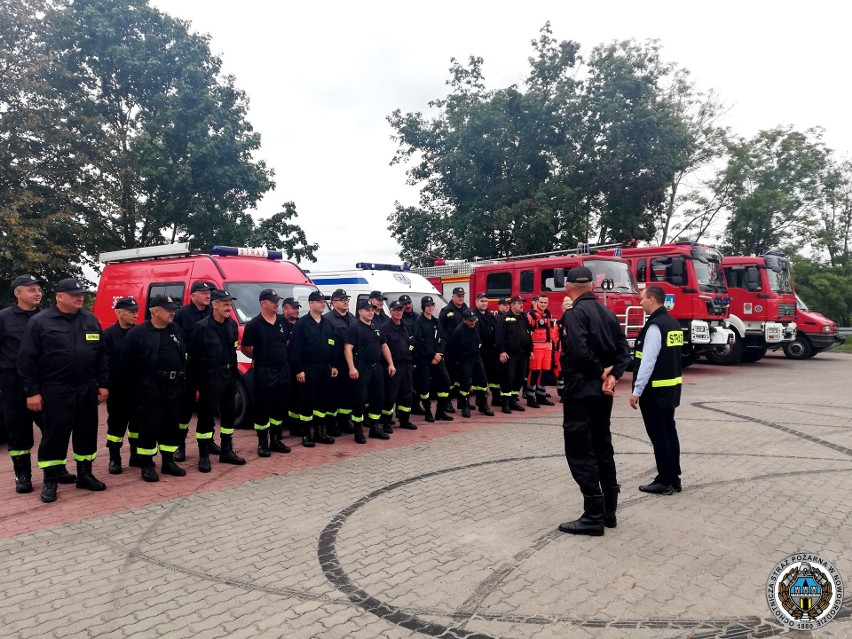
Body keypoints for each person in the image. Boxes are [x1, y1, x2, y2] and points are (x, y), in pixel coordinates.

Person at [18, 278, 109, 502]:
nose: (80, 297)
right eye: (74, 294)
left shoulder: (90, 319)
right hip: (56, 389)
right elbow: (26, 360)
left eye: (82, 294)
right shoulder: (41, 322)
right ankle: (50, 480)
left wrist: (104, 383)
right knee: (55, 436)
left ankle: (85, 474)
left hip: (86, 387)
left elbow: (102, 355)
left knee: (86, 432)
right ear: (60, 296)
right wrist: (32, 392)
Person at [557, 267, 631, 536]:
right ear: (591, 286)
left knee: (579, 450)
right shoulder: (608, 313)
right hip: (603, 391)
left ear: (569, 288)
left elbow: (578, 349)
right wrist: (613, 376)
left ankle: (593, 515)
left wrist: (599, 372)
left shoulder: (574, 313)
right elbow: (624, 350)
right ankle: (609, 511)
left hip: (582, 389)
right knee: (602, 445)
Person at [122, 295, 188, 481]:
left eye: (173, 309)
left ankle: (168, 461)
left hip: (174, 385)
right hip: (150, 386)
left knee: (171, 423)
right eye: (168, 309)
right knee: (149, 425)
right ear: (155, 311)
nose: (173, 312)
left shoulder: (175, 329)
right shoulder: (137, 333)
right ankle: (147, 464)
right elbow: (126, 364)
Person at [629, 285, 684, 495]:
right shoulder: (673, 324)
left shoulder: (655, 326)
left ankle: (664, 480)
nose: (640, 302)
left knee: (659, 436)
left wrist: (637, 391)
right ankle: (674, 478)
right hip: (671, 389)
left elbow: (648, 362)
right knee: (670, 433)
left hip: (654, 391)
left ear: (652, 300)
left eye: (642, 298)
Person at [0, 275, 48, 493]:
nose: (37, 293)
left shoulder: (48, 317)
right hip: (14, 383)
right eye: (31, 290)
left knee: (51, 427)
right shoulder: (4, 318)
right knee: (19, 431)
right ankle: (23, 475)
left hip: (44, 381)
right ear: (17, 293)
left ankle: (55, 469)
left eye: (38, 289)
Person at [189, 288, 246, 471]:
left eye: (230, 304)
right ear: (214, 305)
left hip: (229, 376)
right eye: (225, 304)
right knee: (206, 416)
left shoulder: (231, 326)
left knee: (229, 414)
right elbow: (194, 358)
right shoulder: (202, 328)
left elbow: (233, 350)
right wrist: (198, 381)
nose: (229, 307)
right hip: (210, 377)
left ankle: (226, 451)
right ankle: (204, 455)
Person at [240, 289, 293, 457]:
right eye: (273, 301)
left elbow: (286, 342)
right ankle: (263, 442)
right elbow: (246, 348)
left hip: (283, 369)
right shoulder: (254, 324)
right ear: (263, 303)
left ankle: (276, 439)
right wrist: (260, 357)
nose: (277, 303)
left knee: (280, 404)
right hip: (264, 369)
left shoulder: (283, 321)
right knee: (263, 406)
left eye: (277, 300)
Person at [174, 280, 215, 461]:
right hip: (189, 367)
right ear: (193, 296)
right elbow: (177, 341)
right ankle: (179, 445)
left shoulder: (213, 312)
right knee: (185, 408)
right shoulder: (181, 314)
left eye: (209, 293)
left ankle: (209, 440)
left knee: (209, 406)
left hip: (208, 367)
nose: (208, 295)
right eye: (203, 292)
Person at [289, 291, 337, 447]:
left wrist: (333, 364)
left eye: (324, 301)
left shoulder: (327, 323)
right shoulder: (302, 324)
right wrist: (299, 370)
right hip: (308, 368)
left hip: (324, 368)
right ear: (311, 303)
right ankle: (306, 434)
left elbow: (332, 345)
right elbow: (295, 349)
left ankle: (320, 432)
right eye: (320, 301)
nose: (323, 304)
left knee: (323, 401)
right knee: (307, 401)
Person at [345, 300, 395, 443]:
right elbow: (347, 348)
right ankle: (358, 431)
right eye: (367, 310)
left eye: (372, 310)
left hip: (377, 368)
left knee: (378, 398)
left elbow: (384, 346)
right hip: (362, 367)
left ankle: (374, 428)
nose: (371, 312)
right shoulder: (354, 328)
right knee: (360, 400)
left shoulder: (376, 328)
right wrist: (352, 368)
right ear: (360, 312)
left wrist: (391, 364)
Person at [102, 296, 140, 474]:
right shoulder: (109, 335)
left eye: (136, 311)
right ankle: (114, 459)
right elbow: (104, 362)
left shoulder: (140, 332)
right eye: (131, 312)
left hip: (138, 387)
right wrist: (105, 385)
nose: (135, 315)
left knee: (137, 425)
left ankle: (135, 455)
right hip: (118, 389)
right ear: (119, 313)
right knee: (116, 426)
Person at [413, 296, 453, 422]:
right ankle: (428, 411)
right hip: (425, 359)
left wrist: (439, 353)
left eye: (432, 305)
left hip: (438, 357)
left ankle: (440, 411)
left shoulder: (436, 322)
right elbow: (419, 341)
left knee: (446, 381)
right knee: (424, 386)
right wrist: (432, 355)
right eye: (427, 305)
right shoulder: (419, 323)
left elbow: (443, 338)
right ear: (423, 307)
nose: (430, 307)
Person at [447, 309, 493, 418]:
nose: (473, 322)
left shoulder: (476, 327)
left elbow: (480, 340)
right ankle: (464, 406)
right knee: (465, 384)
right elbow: (452, 349)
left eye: (474, 320)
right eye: (470, 321)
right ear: (464, 320)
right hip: (464, 359)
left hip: (476, 357)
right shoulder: (458, 331)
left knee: (482, 381)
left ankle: (483, 405)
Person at [379, 300, 417, 431]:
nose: (399, 312)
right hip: (393, 366)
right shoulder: (384, 328)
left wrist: (409, 350)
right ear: (390, 311)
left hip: (406, 365)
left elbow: (412, 341)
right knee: (390, 395)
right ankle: (387, 423)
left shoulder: (405, 326)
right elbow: (382, 347)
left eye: (400, 310)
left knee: (406, 394)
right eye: (396, 310)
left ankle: (404, 420)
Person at [324, 289, 355, 436]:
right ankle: (331, 424)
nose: (345, 301)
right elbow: (326, 343)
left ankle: (345, 421)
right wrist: (331, 364)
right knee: (333, 395)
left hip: (350, 362)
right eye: (342, 299)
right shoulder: (328, 319)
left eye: (346, 299)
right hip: (336, 363)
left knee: (348, 394)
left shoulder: (352, 317)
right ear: (334, 302)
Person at [495, 295, 532, 414]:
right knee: (508, 378)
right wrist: (502, 351)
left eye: (522, 303)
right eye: (518, 303)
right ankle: (505, 403)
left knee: (519, 378)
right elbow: (499, 336)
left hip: (523, 354)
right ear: (512, 305)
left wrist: (530, 350)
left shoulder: (523, 317)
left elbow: (528, 334)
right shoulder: (504, 318)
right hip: (510, 355)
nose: (522, 305)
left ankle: (513, 401)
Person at [525, 295, 556, 408]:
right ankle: (530, 398)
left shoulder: (548, 314)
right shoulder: (531, 315)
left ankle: (541, 397)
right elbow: (527, 333)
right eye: (541, 302)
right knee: (534, 372)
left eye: (545, 302)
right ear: (537, 302)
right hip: (536, 347)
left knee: (546, 372)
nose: (543, 304)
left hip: (548, 347)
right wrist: (530, 349)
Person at [472, 293, 500, 408]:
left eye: (485, 301)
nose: (484, 303)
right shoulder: (473, 315)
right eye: (482, 301)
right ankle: (480, 399)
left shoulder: (489, 315)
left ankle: (496, 398)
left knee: (494, 375)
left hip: (491, 350)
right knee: (481, 377)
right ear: (476, 302)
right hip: (480, 351)